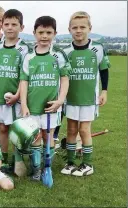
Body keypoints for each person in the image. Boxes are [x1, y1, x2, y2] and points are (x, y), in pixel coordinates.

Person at [20, 16, 70, 181]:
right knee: (35, 137)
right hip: (33, 106)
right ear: (34, 33)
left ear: (55, 33)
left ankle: (46, 167)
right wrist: (24, 104)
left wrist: (60, 100)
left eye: (49, 32)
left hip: (51, 106)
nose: (44, 36)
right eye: (41, 32)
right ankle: (36, 170)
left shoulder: (59, 55)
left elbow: (64, 78)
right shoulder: (28, 56)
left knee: (48, 136)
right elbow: (24, 81)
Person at [61, 11, 110, 176]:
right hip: (71, 98)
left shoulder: (98, 49)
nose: (78, 30)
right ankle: (70, 162)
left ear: (90, 28)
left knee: (84, 130)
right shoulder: (65, 52)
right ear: (69, 29)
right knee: (71, 130)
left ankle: (87, 164)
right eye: (75, 27)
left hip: (89, 98)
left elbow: (104, 70)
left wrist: (104, 90)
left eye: (82, 27)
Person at [0, 9, 31, 172]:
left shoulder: (24, 49)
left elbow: (24, 76)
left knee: (16, 129)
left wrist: (18, 95)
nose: (10, 27)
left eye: (14, 24)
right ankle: (4, 160)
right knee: (2, 128)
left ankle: (18, 160)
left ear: (22, 27)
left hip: (16, 98)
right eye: (7, 24)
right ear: (2, 27)